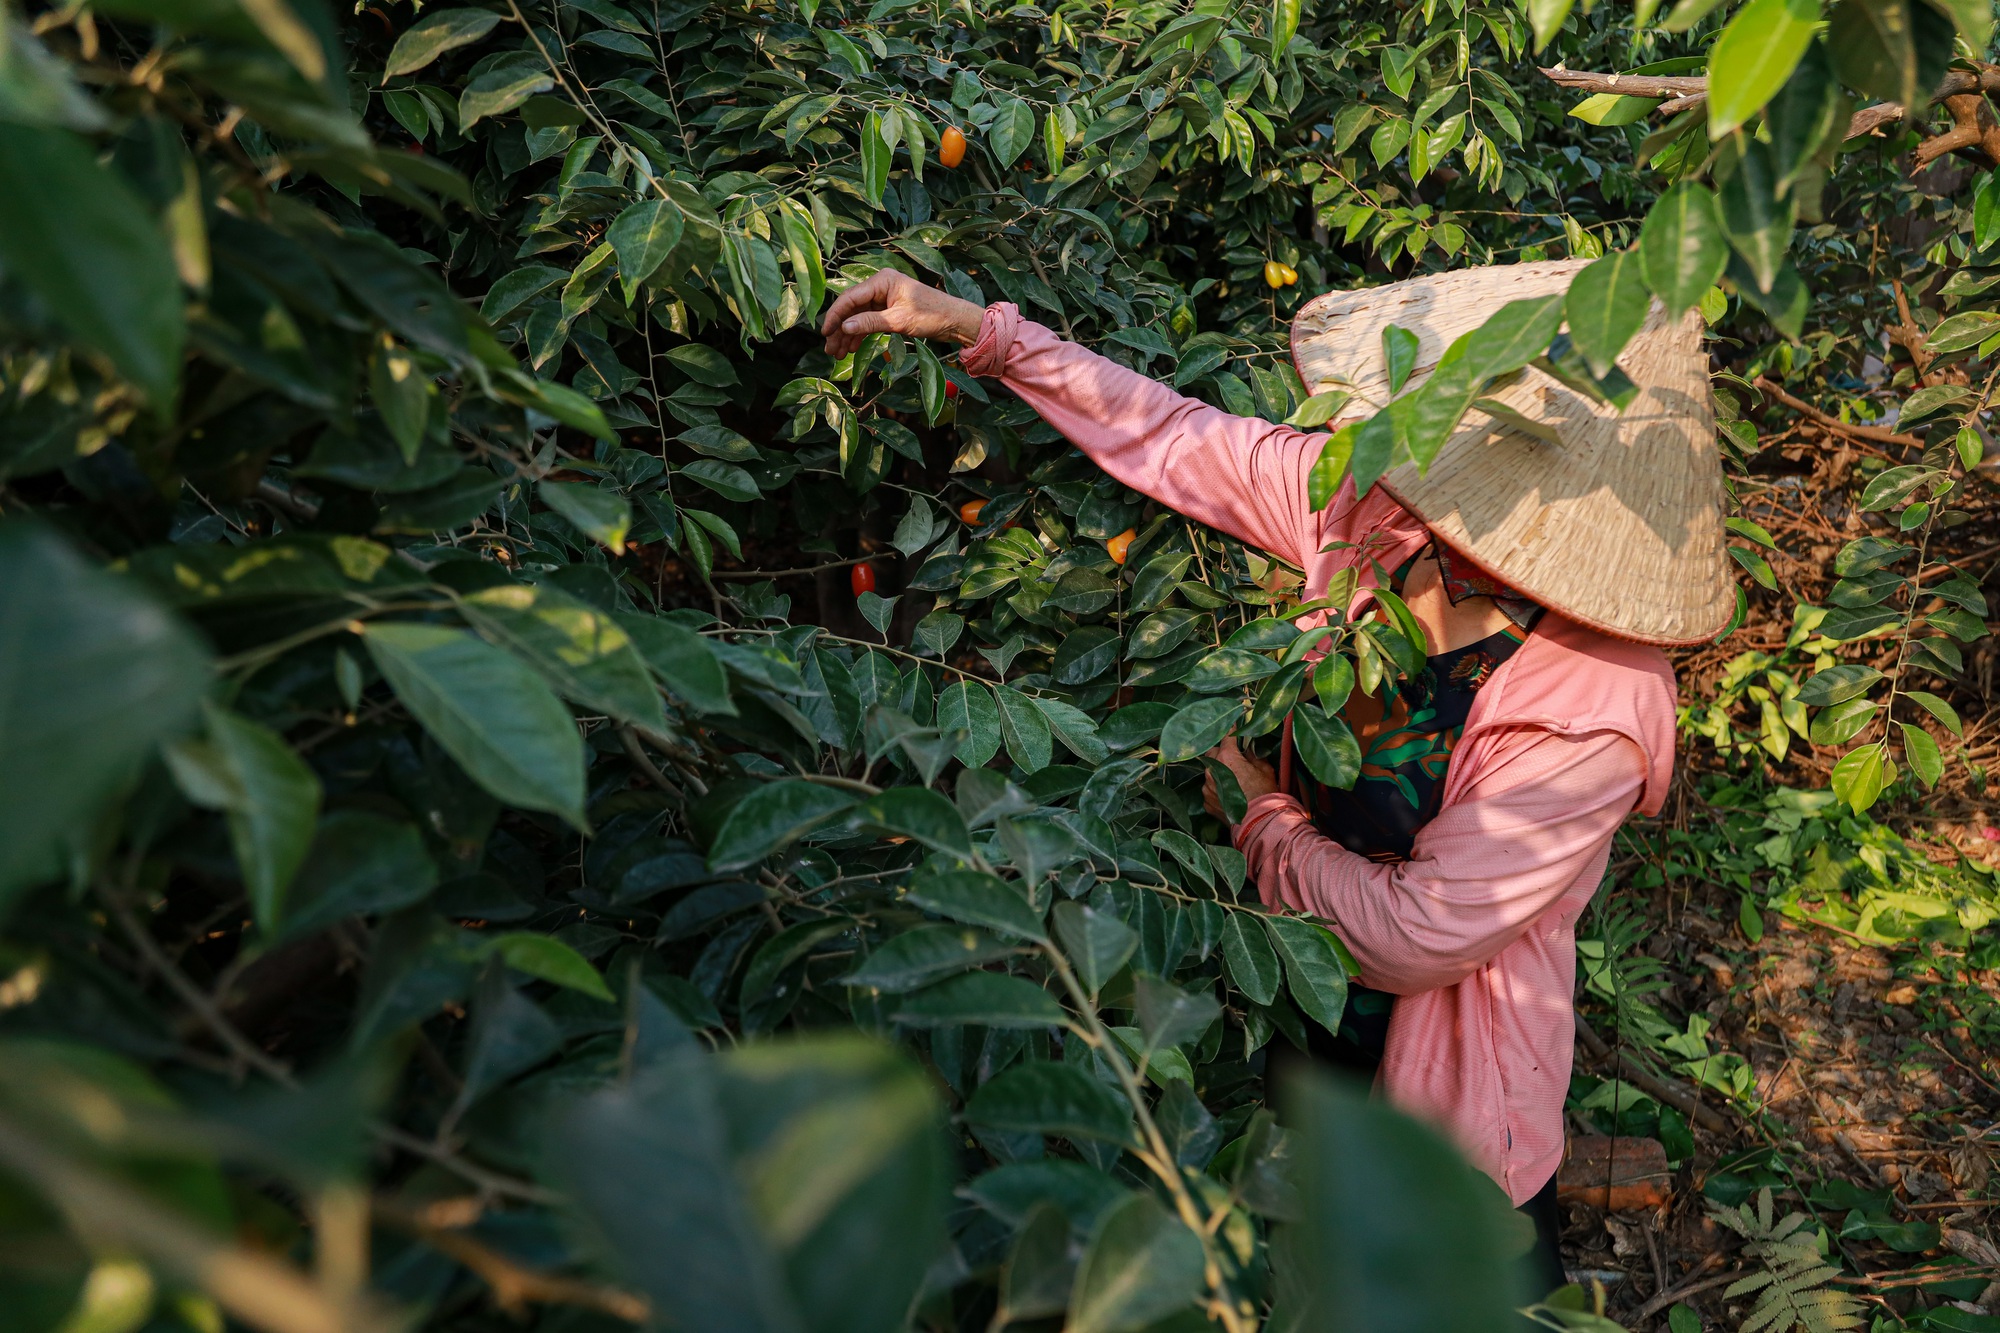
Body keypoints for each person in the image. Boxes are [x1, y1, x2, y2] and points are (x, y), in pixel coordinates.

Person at [820, 263, 1732, 1298]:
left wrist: (1263, 817)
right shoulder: (1376, 524)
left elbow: (1418, 934)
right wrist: (983, 331)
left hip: (1451, 1099)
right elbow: (1178, 439)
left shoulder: (1596, 699)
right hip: (1298, 1011)